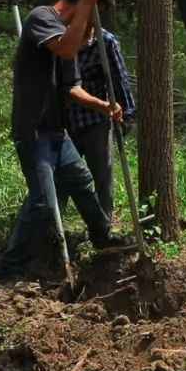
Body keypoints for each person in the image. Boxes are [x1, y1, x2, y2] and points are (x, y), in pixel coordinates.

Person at [0, 0, 132, 285]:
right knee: (43, 202)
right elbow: (67, 49)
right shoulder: (42, 18)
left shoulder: (71, 38)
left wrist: (103, 105)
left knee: (82, 181)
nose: (92, 34)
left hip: (58, 130)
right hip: (33, 131)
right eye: (92, 26)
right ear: (77, 7)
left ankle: (102, 238)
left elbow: (72, 87)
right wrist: (87, 3)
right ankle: (8, 268)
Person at [61, 28, 136, 225]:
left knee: (102, 179)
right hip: (67, 122)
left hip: (96, 122)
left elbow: (119, 79)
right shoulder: (64, 38)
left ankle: (103, 229)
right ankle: (54, 230)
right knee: (62, 178)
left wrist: (127, 113)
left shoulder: (105, 42)